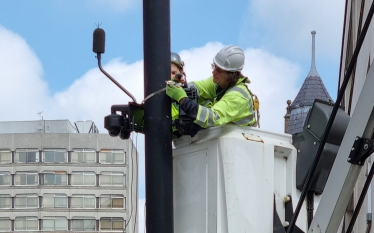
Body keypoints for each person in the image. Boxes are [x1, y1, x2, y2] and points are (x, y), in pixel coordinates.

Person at [166, 45, 256, 129]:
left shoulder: (238, 97)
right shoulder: (219, 82)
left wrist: (183, 99)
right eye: (214, 67)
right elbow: (196, 88)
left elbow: (212, 118)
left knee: (202, 110)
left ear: (231, 74)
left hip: (236, 143)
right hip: (216, 140)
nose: (213, 72)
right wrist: (180, 84)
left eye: (219, 70)